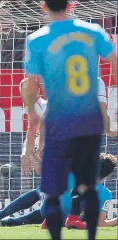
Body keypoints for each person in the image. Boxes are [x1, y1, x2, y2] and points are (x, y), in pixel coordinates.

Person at [23, 0, 117, 239]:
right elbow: (115, 61)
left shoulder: (37, 39)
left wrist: (32, 116)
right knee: (88, 185)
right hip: (89, 121)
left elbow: (30, 84)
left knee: (53, 190)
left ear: (44, 7)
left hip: (59, 122)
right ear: (71, 6)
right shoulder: (93, 31)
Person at [65, 153, 118, 229]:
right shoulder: (106, 193)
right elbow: (101, 222)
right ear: (109, 175)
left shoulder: (71, 175)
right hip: (74, 222)